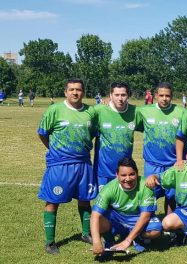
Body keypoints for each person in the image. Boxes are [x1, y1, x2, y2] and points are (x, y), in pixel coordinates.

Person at [37, 78, 98, 254]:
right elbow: (42, 133)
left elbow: (92, 133)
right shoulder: (54, 110)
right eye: (71, 89)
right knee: (53, 201)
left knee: (85, 199)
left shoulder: (90, 112)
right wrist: (54, 149)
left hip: (83, 163)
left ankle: (86, 234)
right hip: (60, 165)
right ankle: (50, 242)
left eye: (78, 89)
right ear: (65, 92)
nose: (75, 92)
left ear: (83, 92)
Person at [91, 158, 161, 257]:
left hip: (138, 219)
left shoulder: (146, 186)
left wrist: (128, 241)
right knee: (98, 219)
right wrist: (96, 241)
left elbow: (145, 216)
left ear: (137, 173)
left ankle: (137, 238)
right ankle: (109, 240)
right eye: (123, 175)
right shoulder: (108, 189)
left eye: (131, 174)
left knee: (156, 230)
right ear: (117, 175)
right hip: (118, 221)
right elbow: (94, 215)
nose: (127, 179)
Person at [136, 82, 185, 214]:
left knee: (172, 197)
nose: (164, 98)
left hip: (173, 164)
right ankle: (148, 223)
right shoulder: (144, 111)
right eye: (161, 95)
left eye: (167, 96)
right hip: (152, 164)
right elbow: (125, 115)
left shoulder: (181, 112)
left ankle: (170, 229)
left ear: (172, 96)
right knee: (149, 195)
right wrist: (108, 102)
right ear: (156, 95)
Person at [93, 82, 139, 191]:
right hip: (103, 170)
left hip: (125, 171)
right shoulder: (98, 111)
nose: (120, 98)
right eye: (117, 95)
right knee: (103, 204)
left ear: (128, 96)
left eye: (123, 95)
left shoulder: (135, 112)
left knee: (122, 204)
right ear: (110, 95)